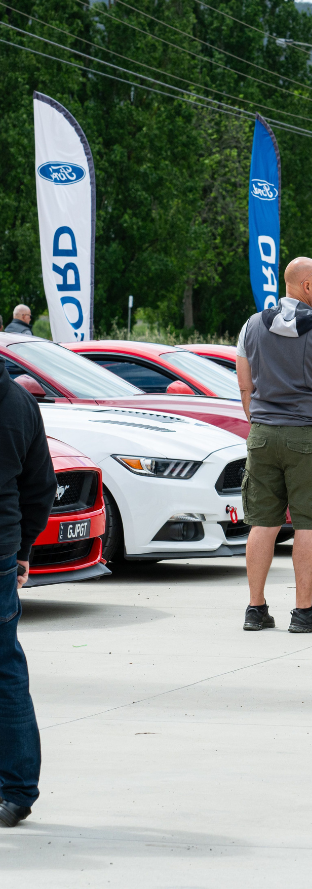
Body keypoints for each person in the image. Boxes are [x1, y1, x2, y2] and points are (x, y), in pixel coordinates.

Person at [236, 257, 312, 634]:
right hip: (308, 435)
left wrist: (259, 423)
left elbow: (245, 386)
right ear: (306, 287)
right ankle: (303, 613)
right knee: (308, 523)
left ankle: (255, 608)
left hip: (263, 432)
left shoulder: (251, 325)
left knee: (262, 523)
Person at [0, 349, 55, 827]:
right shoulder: (19, 401)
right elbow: (40, 485)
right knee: (5, 668)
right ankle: (16, 790)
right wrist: (22, 549)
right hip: (0, 549)